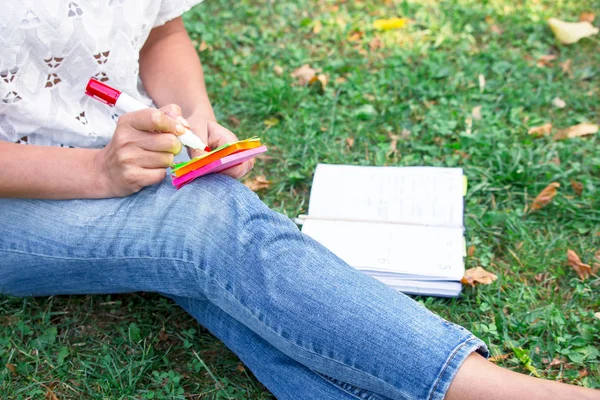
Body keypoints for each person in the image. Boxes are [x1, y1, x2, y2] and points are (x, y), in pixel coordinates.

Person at [0, 1, 597, 399]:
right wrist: (99, 171)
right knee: (204, 225)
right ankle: (502, 390)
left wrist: (197, 124)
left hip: (129, 154)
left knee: (231, 283)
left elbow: (163, 29)